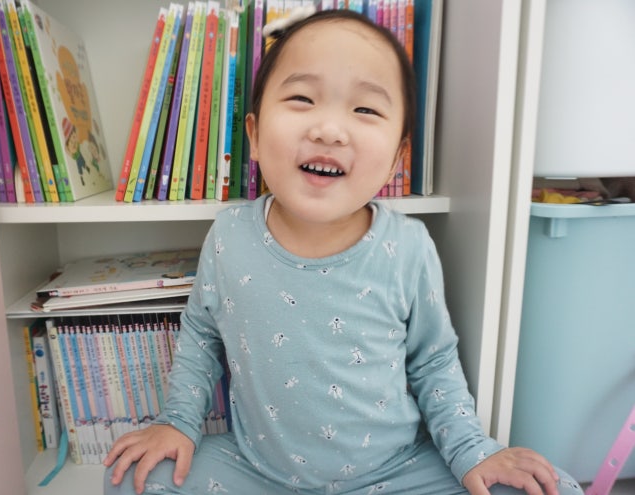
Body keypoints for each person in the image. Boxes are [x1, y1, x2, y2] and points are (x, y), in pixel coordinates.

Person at [104, 8, 584, 495]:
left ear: (396, 159)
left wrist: (471, 450)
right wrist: (177, 422)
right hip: (259, 472)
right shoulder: (229, 236)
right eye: (302, 98)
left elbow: (433, 361)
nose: (330, 130)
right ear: (254, 135)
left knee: (553, 488)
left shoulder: (408, 245)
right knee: (131, 478)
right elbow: (202, 337)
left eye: (365, 110)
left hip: (394, 472)